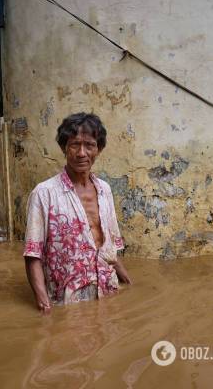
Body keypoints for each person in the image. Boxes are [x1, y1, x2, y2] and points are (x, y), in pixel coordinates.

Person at [23, 112, 131, 314]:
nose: (82, 153)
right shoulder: (44, 194)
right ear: (65, 148)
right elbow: (32, 255)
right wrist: (43, 303)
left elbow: (110, 246)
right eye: (75, 145)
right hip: (67, 302)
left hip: (108, 291)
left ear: (98, 149)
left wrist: (128, 282)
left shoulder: (105, 190)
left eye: (89, 145)